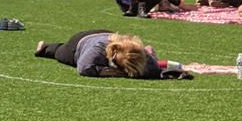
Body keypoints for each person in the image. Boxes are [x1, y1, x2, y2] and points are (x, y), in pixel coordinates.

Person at [34, 31, 165, 79]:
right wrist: (106, 72)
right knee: (60, 53)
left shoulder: (139, 53)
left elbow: (156, 70)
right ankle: (44, 47)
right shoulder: (97, 50)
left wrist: (181, 68)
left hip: (104, 33)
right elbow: (83, 68)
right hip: (80, 42)